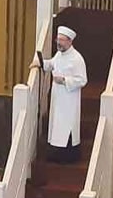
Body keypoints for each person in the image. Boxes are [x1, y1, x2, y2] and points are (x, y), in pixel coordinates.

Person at [33, 26, 88, 161]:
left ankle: (69, 157)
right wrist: (40, 63)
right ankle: (57, 153)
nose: (59, 43)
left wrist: (64, 80)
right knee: (57, 126)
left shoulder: (77, 59)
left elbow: (82, 80)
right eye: (58, 40)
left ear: (70, 41)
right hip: (58, 97)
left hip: (69, 99)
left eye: (62, 40)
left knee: (67, 127)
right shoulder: (59, 54)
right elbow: (52, 64)